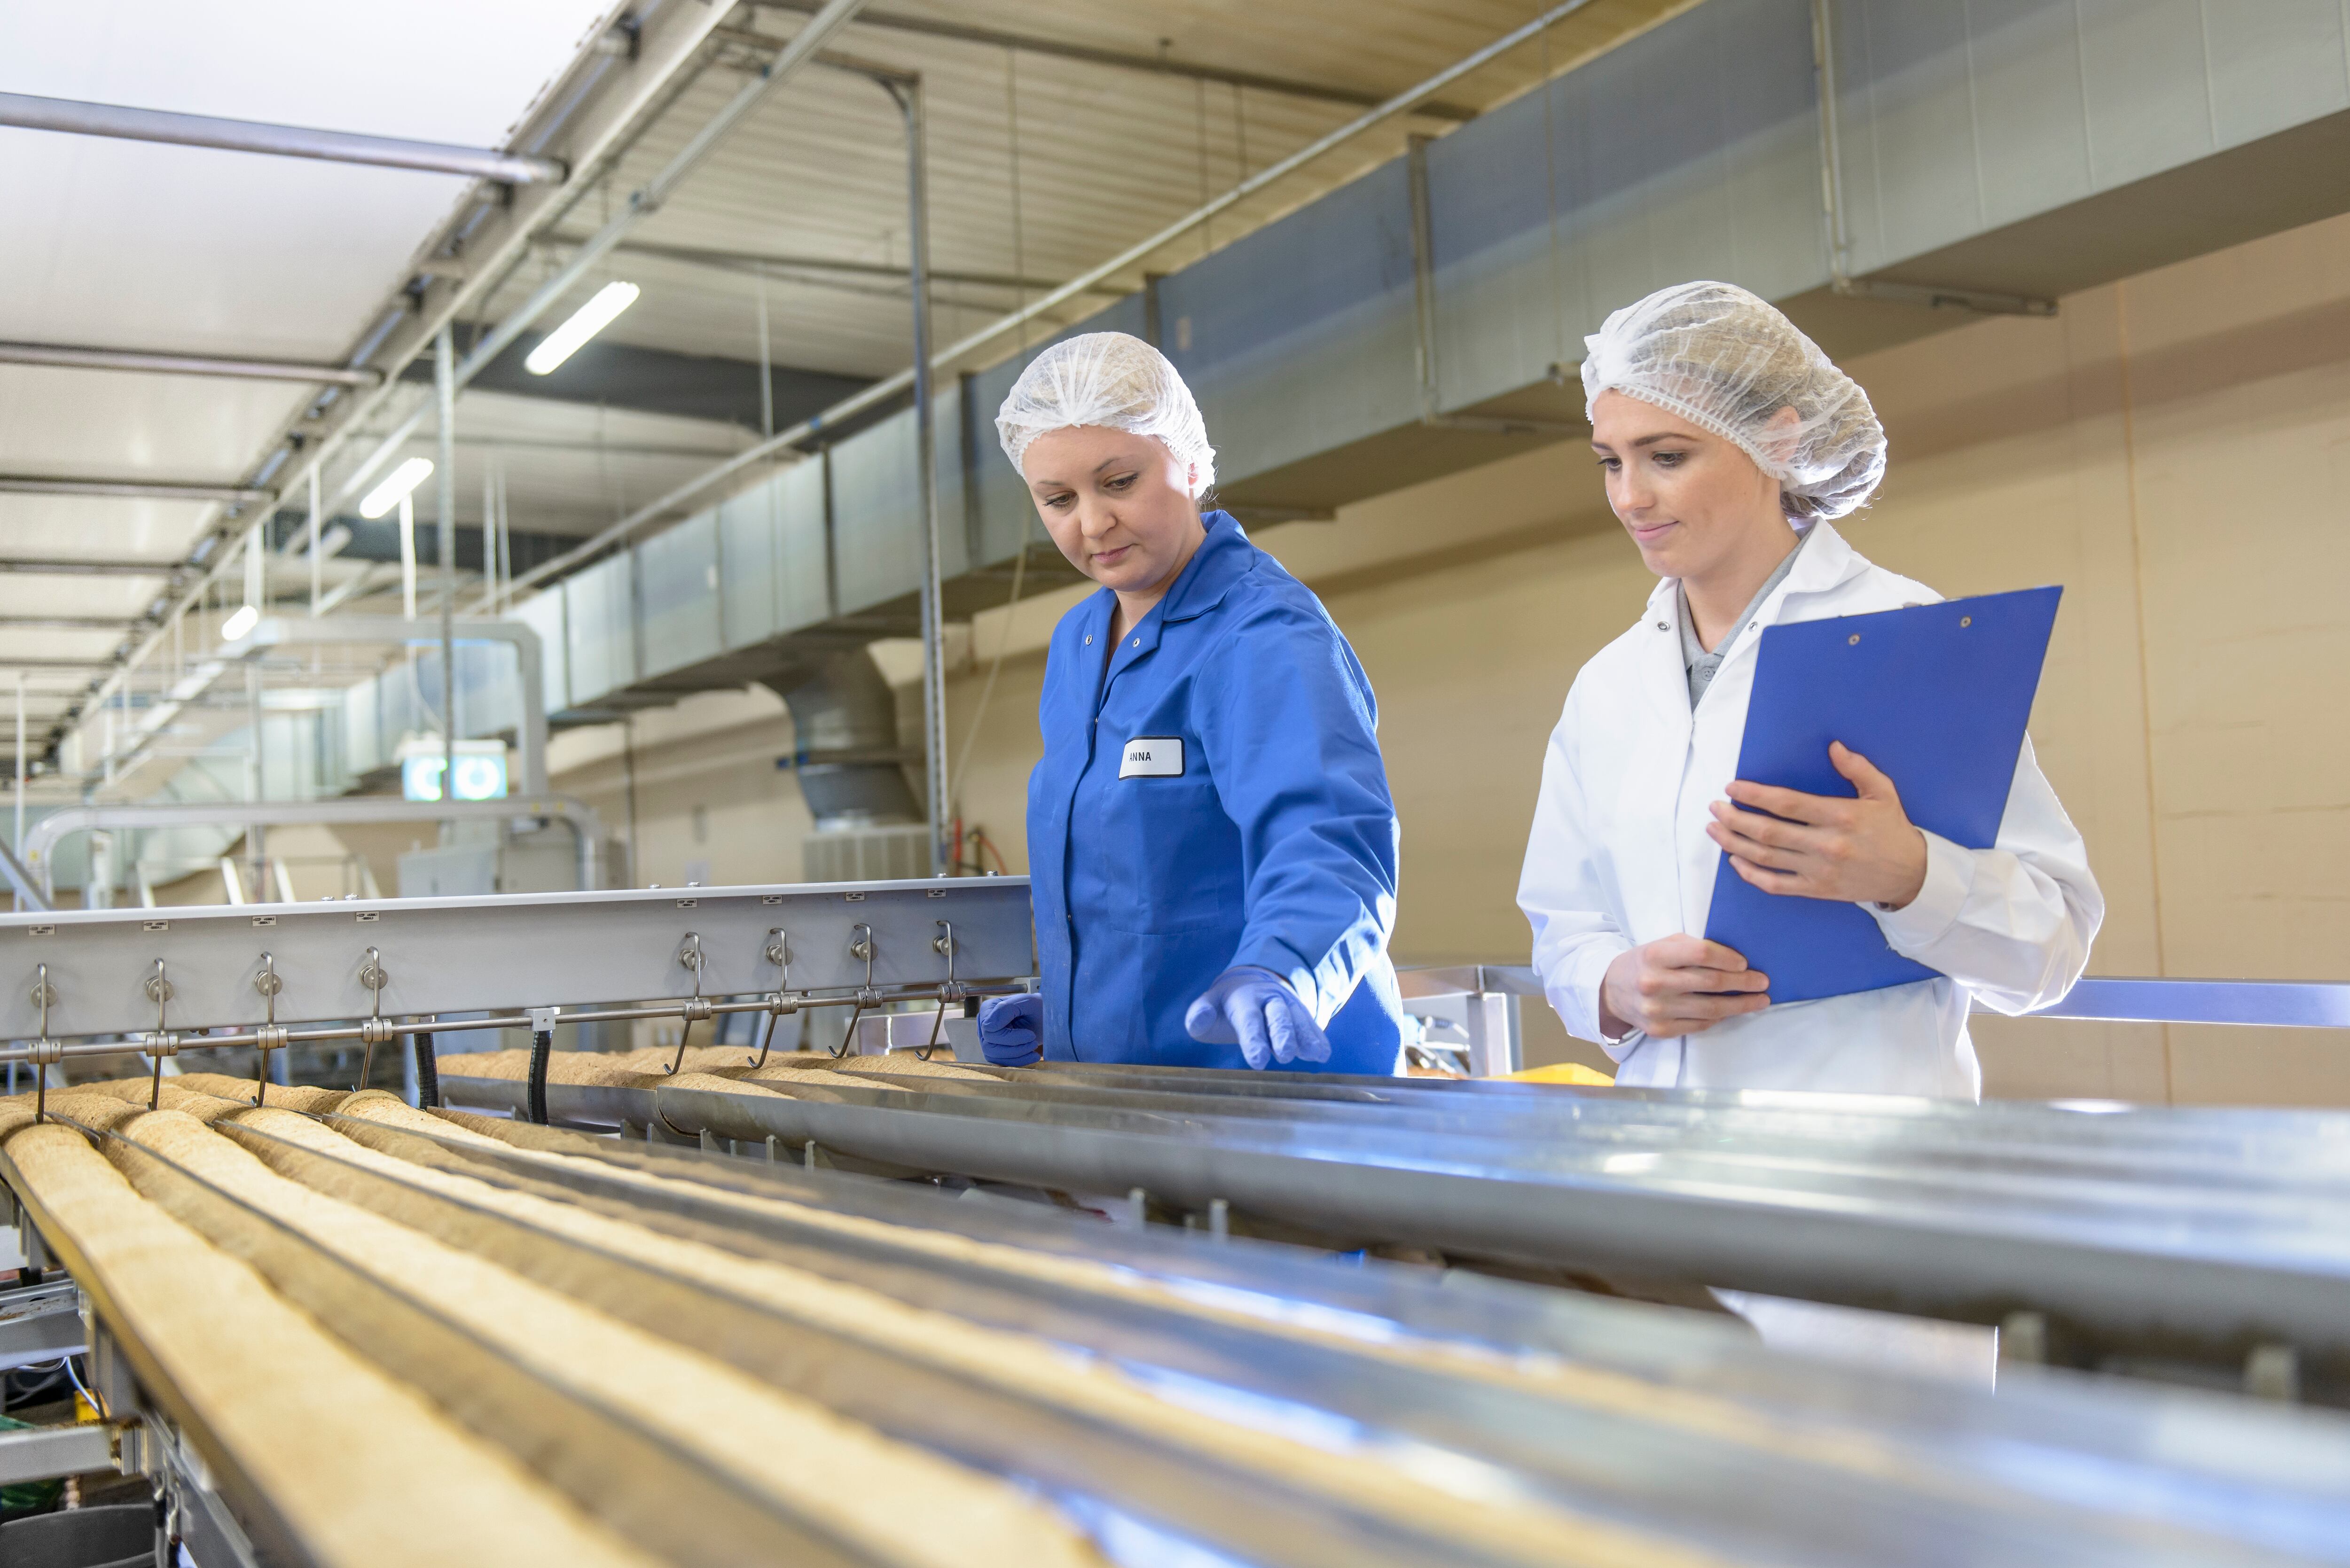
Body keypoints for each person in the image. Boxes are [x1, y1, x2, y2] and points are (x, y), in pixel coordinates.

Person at [1517, 281, 2102, 1098]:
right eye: (1611, 462)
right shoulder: (1608, 686)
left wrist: (1911, 875)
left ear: (1778, 440)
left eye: (1667, 456)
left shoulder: (1909, 632)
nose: (1629, 496)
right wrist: (1614, 987)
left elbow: (2053, 948)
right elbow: (1564, 925)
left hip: (1867, 1169)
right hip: (1661, 1170)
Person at [975, 332, 1408, 1073]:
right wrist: (1074, 1008)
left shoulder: (1262, 632)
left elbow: (1329, 840)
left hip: (1274, 1099)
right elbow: (1137, 890)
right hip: (1133, 1100)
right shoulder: (1079, 643)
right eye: (1058, 499)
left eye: (1118, 482)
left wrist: (1284, 969)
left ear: (1194, 462)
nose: (1092, 523)